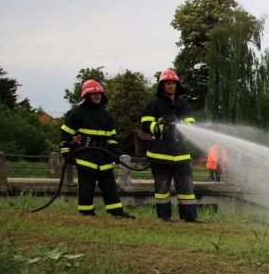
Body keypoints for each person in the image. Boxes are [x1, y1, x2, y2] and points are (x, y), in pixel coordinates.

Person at [59, 80, 135, 219]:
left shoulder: (106, 115)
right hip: (85, 154)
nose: (97, 96)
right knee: (86, 185)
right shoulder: (76, 113)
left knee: (109, 184)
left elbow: (112, 136)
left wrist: (115, 150)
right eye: (94, 94)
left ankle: (116, 211)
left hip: (104, 155)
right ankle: (86, 212)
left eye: (99, 94)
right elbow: (66, 134)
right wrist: (66, 151)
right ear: (86, 96)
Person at [140, 69, 199, 222]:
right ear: (162, 86)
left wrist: (179, 124)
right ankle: (164, 217)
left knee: (186, 188)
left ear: (177, 85)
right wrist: (161, 125)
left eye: (173, 83)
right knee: (162, 189)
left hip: (181, 155)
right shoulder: (153, 105)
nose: (171, 86)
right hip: (159, 155)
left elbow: (191, 123)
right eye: (168, 83)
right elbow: (145, 125)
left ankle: (190, 217)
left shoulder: (183, 105)